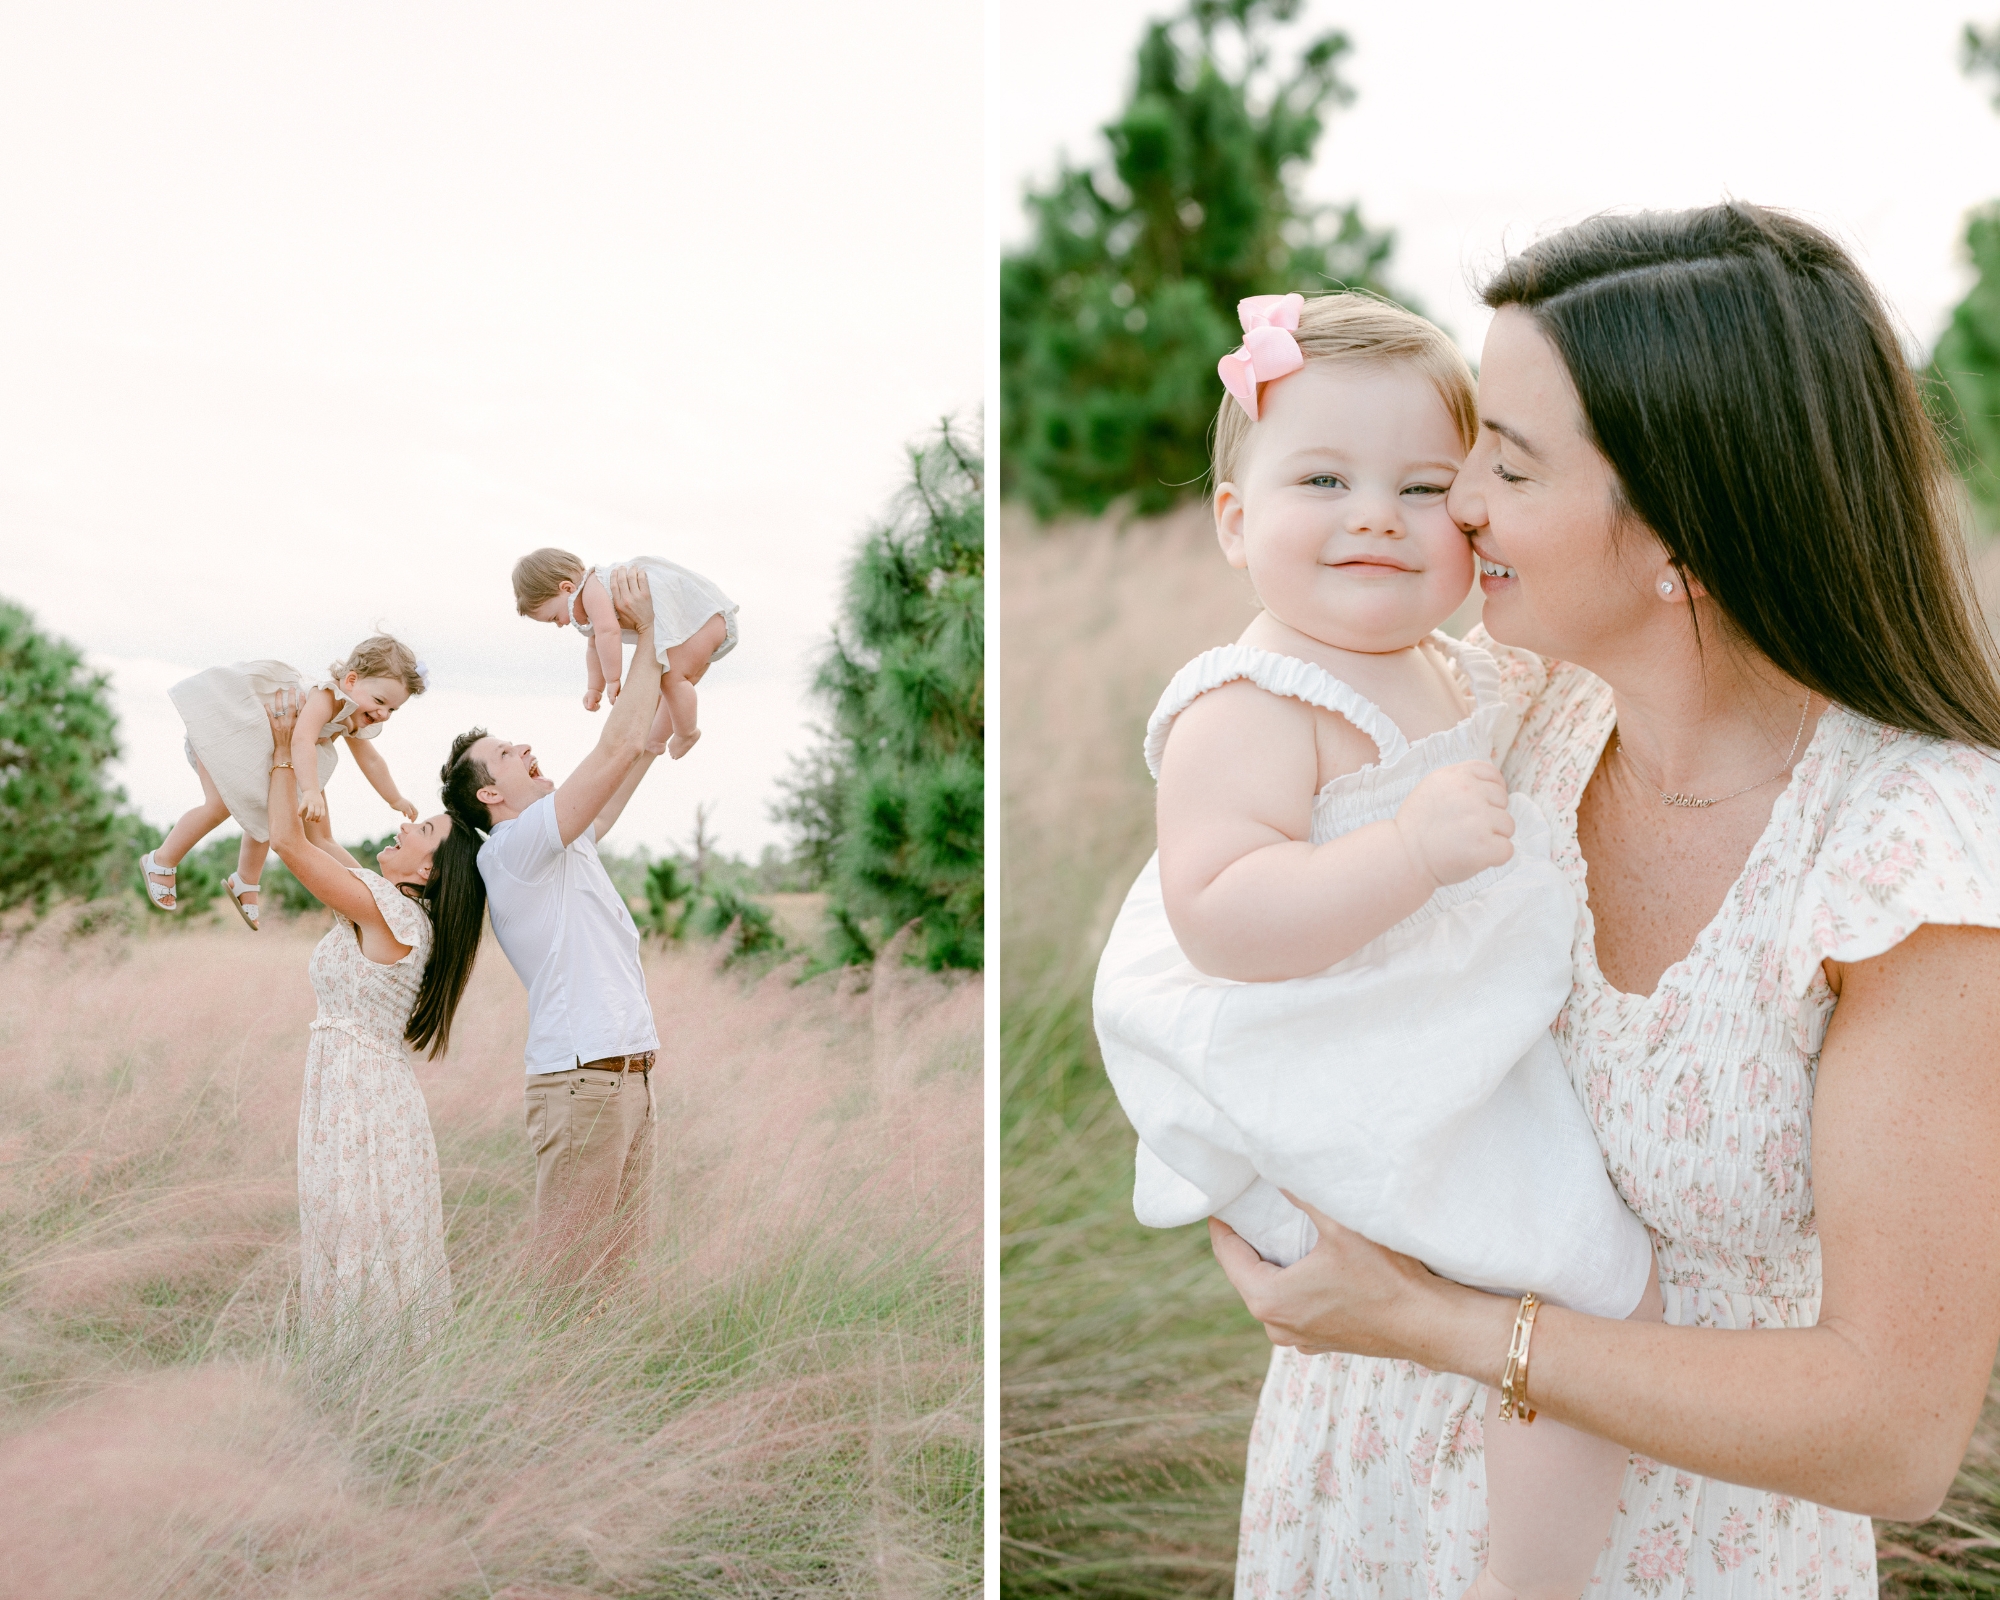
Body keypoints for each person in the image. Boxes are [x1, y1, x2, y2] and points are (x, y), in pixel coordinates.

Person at [1210, 203, 2000, 1594]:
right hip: (1366, 1492)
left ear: (1683, 534)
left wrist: (1437, 1324)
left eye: (1504, 469)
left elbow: (1896, 1432)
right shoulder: (1502, 715)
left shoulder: (1908, 863)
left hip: (1676, 1550)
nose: (1452, 507)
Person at [1094, 290, 1660, 1600]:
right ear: (1236, 521)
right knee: (1584, 1283)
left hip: (1425, 1043)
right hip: (1335, 1059)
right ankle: (1532, 1583)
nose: (1373, 516)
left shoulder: (1450, 666)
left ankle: (1534, 1562)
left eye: (1422, 487)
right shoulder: (1251, 700)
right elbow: (1220, 912)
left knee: (1572, 1297)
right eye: (1325, 479)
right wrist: (1403, 854)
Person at [443, 563, 665, 1282]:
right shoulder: (514, 848)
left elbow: (642, 744)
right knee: (569, 1278)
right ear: (490, 794)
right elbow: (617, 747)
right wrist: (647, 634)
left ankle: (600, 1394)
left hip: (625, 1076)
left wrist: (674, 653)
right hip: (583, 1082)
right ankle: (537, 1394)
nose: (526, 750)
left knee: (613, 1274)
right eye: (508, 754)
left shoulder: (560, 840)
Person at [260, 688, 486, 1352]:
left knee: (359, 1234)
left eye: (421, 831)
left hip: (361, 1099)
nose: (406, 824)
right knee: (359, 1234)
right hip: (356, 1091)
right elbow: (320, 835)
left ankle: (364, 1378)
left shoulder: (390, 912)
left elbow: (288, 842)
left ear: (427, 869)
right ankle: (368, 1376)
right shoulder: (388, 903)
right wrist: (317, 742)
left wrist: (280, 752)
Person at [144, 635, 426, 930]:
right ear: (351, 681)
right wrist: (310, 791)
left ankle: (245, 881)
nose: (383, 714)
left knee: (271, 816)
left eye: (393, 709)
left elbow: (371, 760)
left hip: (264, 754)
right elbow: (302, 740)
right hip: (231, 735)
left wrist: (394, 798)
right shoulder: (326, 697)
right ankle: (162, 859)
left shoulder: (354, 715)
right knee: (218, 806)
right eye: (380, 701)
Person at [511, 546, 738, 759]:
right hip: (695, 627)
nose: (560, 624)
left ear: (567, 589)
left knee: (672, 679)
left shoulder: (593, 589)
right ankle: (657, 739)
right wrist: (594, 687)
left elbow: (608, 633)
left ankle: (687, 732)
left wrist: (613, 679)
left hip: (702, 621)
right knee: (670, 686)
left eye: (554, 617)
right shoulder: (589, 603)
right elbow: (595, 647)